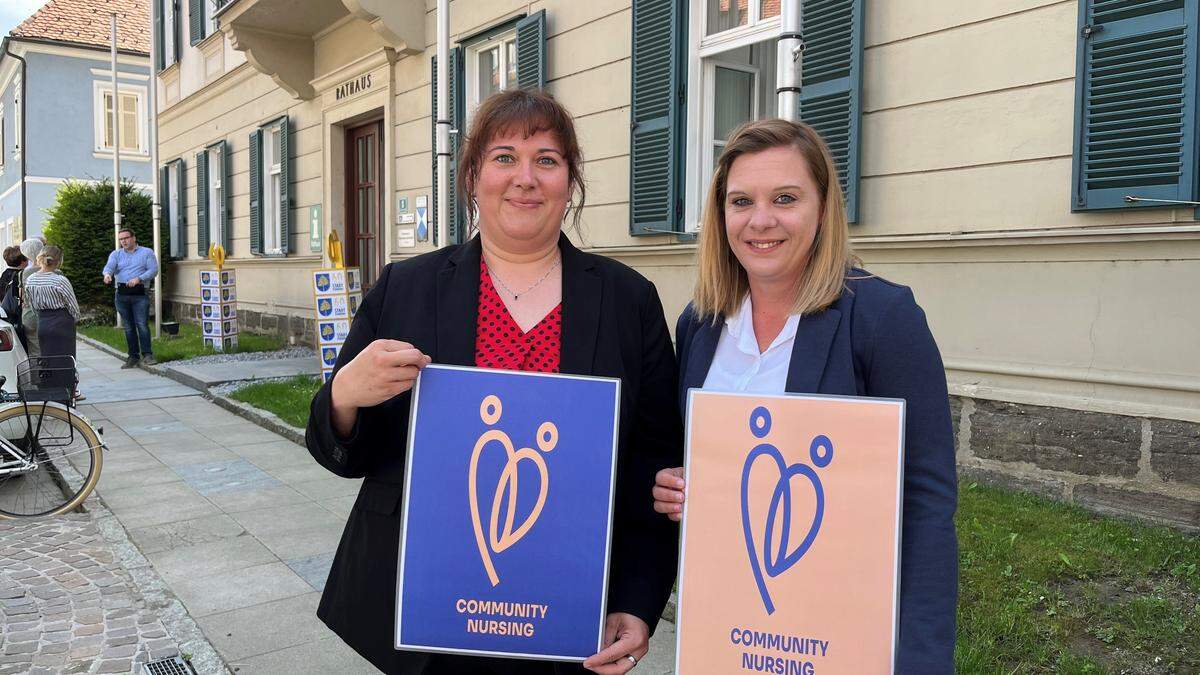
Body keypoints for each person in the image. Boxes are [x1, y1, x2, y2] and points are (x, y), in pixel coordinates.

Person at [306, 89, 682, 675]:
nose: (524, 178)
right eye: (504, 157)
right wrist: (343, 397)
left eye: (547, 160)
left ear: (570, 180)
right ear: (473, 176)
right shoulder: (407, 288)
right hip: (429, 608)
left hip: (571, 606)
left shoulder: (628, 299)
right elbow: (346, 455)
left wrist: (637, 601)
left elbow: (653, 461)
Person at [651, 119, 958, 673]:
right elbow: (709, 464)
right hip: (726, 626)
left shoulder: (883, 319)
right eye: (741, 201)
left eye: (785, 198)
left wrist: (920, 661)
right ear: (721, 217)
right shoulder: (700, 326)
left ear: (823, 209)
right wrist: (680, 485)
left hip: (837, 630)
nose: (760, 220)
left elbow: (926, 504)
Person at [103, 228, 158, 367]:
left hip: (139, 293)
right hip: (121, 294)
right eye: (121, 239)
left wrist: (139, 278)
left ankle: (148, 355)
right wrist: (107, 275)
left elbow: (153, 270)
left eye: (126, 238)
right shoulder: (116, 254)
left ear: (133, 238)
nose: (124, 241)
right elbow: (109, 267)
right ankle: (133, 356)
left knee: (142, 325)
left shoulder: (147, 252)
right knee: (128, 327)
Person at [25, 246, 79, 362]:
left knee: (47, 358)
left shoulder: (30, 280)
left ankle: (49, 380)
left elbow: (32, 305)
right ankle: (65, 379)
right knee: (65, 359)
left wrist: (41, 317)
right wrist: (74, 319)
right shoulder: (60, 280)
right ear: (59, 261)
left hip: (43, 322)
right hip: (62, 322)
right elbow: (73, 306)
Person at [0, 246, 28, 350]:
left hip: (6, 315)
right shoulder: (20, 276)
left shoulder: (4, 275)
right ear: (23, 261)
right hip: (18, 317)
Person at [18, 239, 43, 356]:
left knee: (34, 349)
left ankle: (37, 373)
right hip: (51, 316)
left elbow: (21, 296)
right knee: (52, 348)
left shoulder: (23, 274)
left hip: (30, 315)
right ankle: (53, 372)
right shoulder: (57, 272)